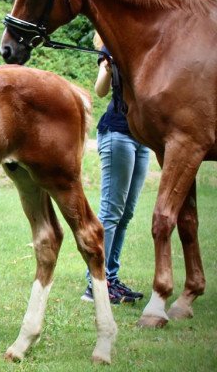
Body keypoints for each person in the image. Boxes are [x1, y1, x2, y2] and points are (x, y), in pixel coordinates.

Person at [82, 33, 150, 304]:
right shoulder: (113, 44)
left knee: (126, 213)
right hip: (117, 133)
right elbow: (100, 90)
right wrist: (107, 69)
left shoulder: (147, 43)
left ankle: (110, 277)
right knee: (111, 212)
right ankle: (94, 283)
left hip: (142, 139)